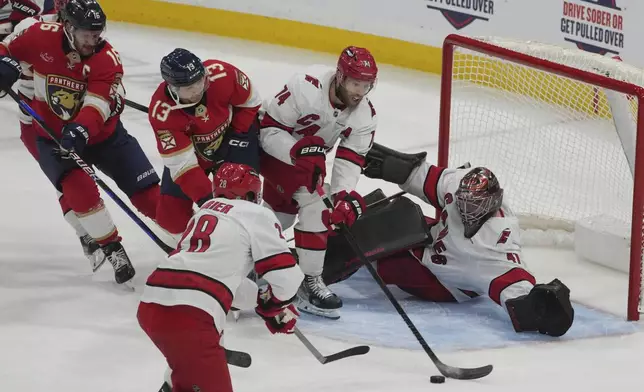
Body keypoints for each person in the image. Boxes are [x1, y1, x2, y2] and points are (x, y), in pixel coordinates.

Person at [319, 143, 575, 337]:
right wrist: (392, 167)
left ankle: (314, 270)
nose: (465, 211)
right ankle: (315, 245)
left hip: (441, 281)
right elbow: (424, 177)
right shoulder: (460, 187)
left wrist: (541, 306)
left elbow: (516, 284)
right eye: (463, 203)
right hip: (435, 238)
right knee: (388, 210)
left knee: (374, 241)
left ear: (491, 203)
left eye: (473, 207)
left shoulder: (495, 248)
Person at [0, 0, 161, 284]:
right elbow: (6, 50)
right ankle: (110, 247)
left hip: (106, 136)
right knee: (79, 192)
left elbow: (97, 104)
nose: (93, 39)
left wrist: (80, 129)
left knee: (151, 198)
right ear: (68, 27)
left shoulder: (107, 58)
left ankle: (199, 239)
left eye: (97, 32)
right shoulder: (37, 34)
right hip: (50, 132)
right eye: (87, 33)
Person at [138, 162, 304, 392]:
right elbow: (288, 278)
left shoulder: (204, 212)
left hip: (152, 305)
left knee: (185, 369)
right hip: (191, 316)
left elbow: (222, 283)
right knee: (191, 363)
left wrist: (262, 301)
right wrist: (275, 304)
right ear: (251, 193)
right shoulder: (256, 213)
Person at [258, 46, 378, 319]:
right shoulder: (306, 86)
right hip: (272, 149)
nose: (359, 91)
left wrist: (343, 196)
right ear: (340, 77)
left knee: (286, 218)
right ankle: (299, 275)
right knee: (308, 208)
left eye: (365, 85)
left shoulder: (365, 115)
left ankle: (301, 277)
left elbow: (350, 159)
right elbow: (269, 130)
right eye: (354, 83)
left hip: (305, 164)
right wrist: (296, 152)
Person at [1, 0, 106, 271]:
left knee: (70, 175)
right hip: (34, 114)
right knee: (64, 178)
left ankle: (93, 232)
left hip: (66, 110)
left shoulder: (42, 19)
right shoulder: (31, 26)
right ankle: (86, 233)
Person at [148, 48, 262, 240]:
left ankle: (248, 244)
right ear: (172, 87)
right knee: (171, 220)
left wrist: (236, 134)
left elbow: (251, 101)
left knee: (243, 202)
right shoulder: (163, 113)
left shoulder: (222, 74)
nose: (197, 90)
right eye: (189, 87)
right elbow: (183, 165)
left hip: (233, 141)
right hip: (193, 156)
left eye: (199, 81)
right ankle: (205, 243)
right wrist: (209, 202)